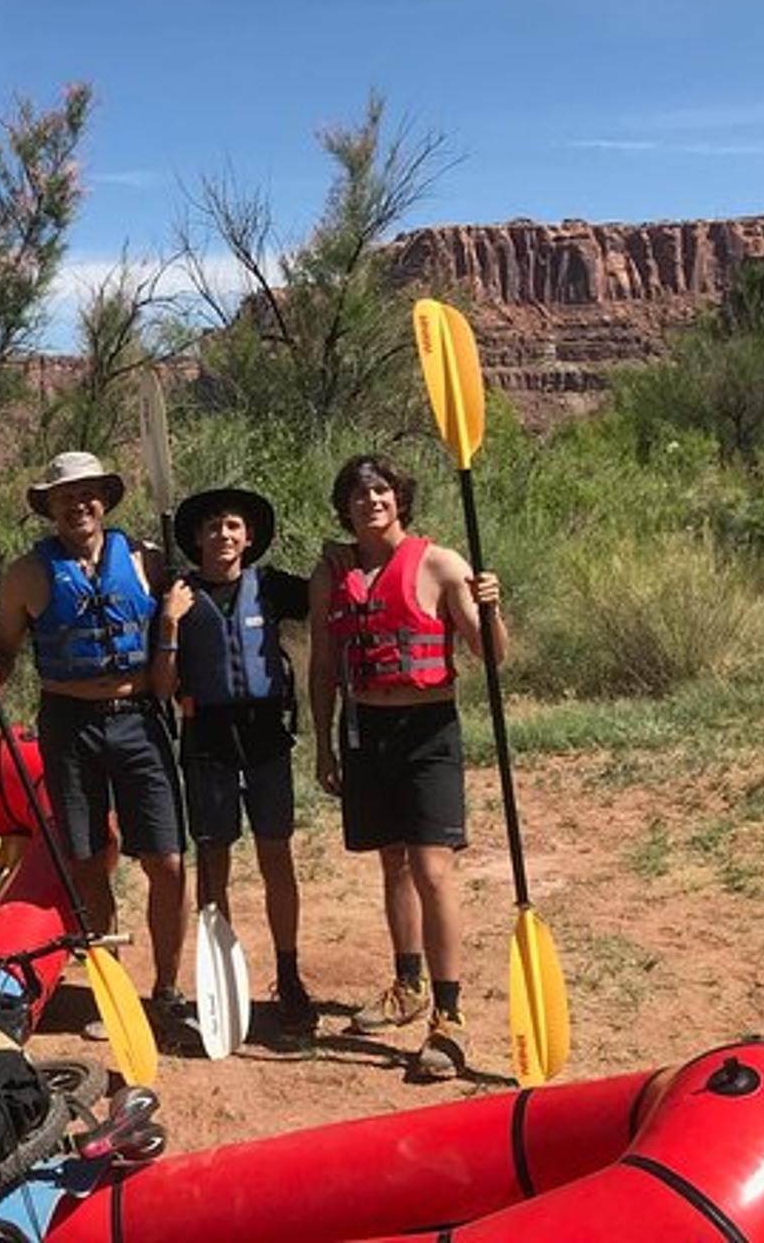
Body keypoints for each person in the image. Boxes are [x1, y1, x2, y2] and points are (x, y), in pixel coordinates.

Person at [0, 452, 188, 1037]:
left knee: (166, 861)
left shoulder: (147, 559)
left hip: (140, 718)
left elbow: (184, 632)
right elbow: (5, 647)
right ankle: (109, 989)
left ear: (105, 500)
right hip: (70, 723)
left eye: (88, 494)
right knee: (89, 860)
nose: (78, 505)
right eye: (66, 496)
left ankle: (166, 989)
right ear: (50, 508)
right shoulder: (27, 574)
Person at [307, 454, 507, 1081]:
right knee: (391, 859)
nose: (372, 500)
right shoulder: (330, 574)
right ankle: (408, 982)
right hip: (364, 729)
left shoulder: (441, 563)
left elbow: (492, 655)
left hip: (427, 729)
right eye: (360, 493)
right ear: (347, 505)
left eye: (383, 490)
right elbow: (321, 666)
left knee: (432, 865)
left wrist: (493, 607)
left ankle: (448, 1018)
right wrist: (323, 743)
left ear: (399, 498)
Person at [147, 485, 318, 1041]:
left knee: (276, 855)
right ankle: (221, 981)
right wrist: (170, 625)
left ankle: (288, 977)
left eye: (233, 526)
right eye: (213, 527)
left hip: (265, 736)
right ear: (196, 538)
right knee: (213, 860)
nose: (223, 535)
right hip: (208, 741)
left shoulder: (270, 587)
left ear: (248, 538)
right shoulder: (178, 595)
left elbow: (332, 595)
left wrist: (343, 556)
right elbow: (162, 687)